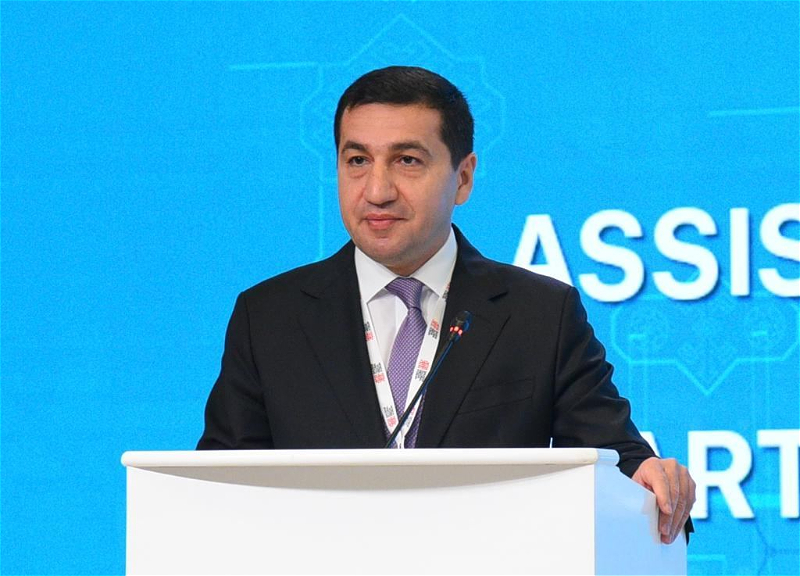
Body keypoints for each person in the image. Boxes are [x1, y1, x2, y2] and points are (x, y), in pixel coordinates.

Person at [197, 65, 695, 544]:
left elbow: (617, 462)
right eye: (357, 161)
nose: (377, 191)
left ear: (463, 178)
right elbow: (218, 489)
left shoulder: (540, 314)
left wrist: (650, 479)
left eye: (407, 160)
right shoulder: (270, 318)